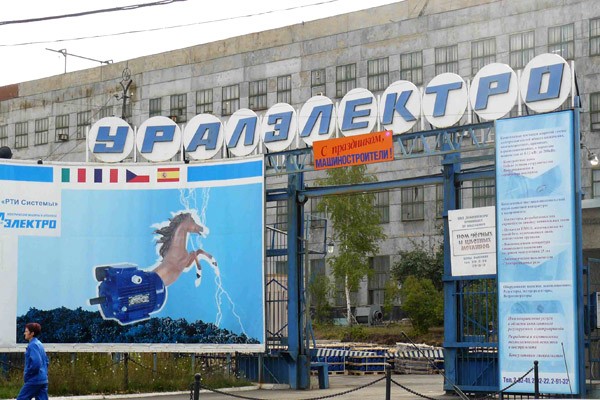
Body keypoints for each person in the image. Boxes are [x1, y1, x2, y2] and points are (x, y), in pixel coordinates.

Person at [17, 323, 49, 400]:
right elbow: (46, 361)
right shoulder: (39, 344)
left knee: (22, 398)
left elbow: (36, 363)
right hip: (43, 379)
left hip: (34, 380)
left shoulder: (32, 345)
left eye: (26, 331)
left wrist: (28, 373)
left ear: (32, 333)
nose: (24, 333)